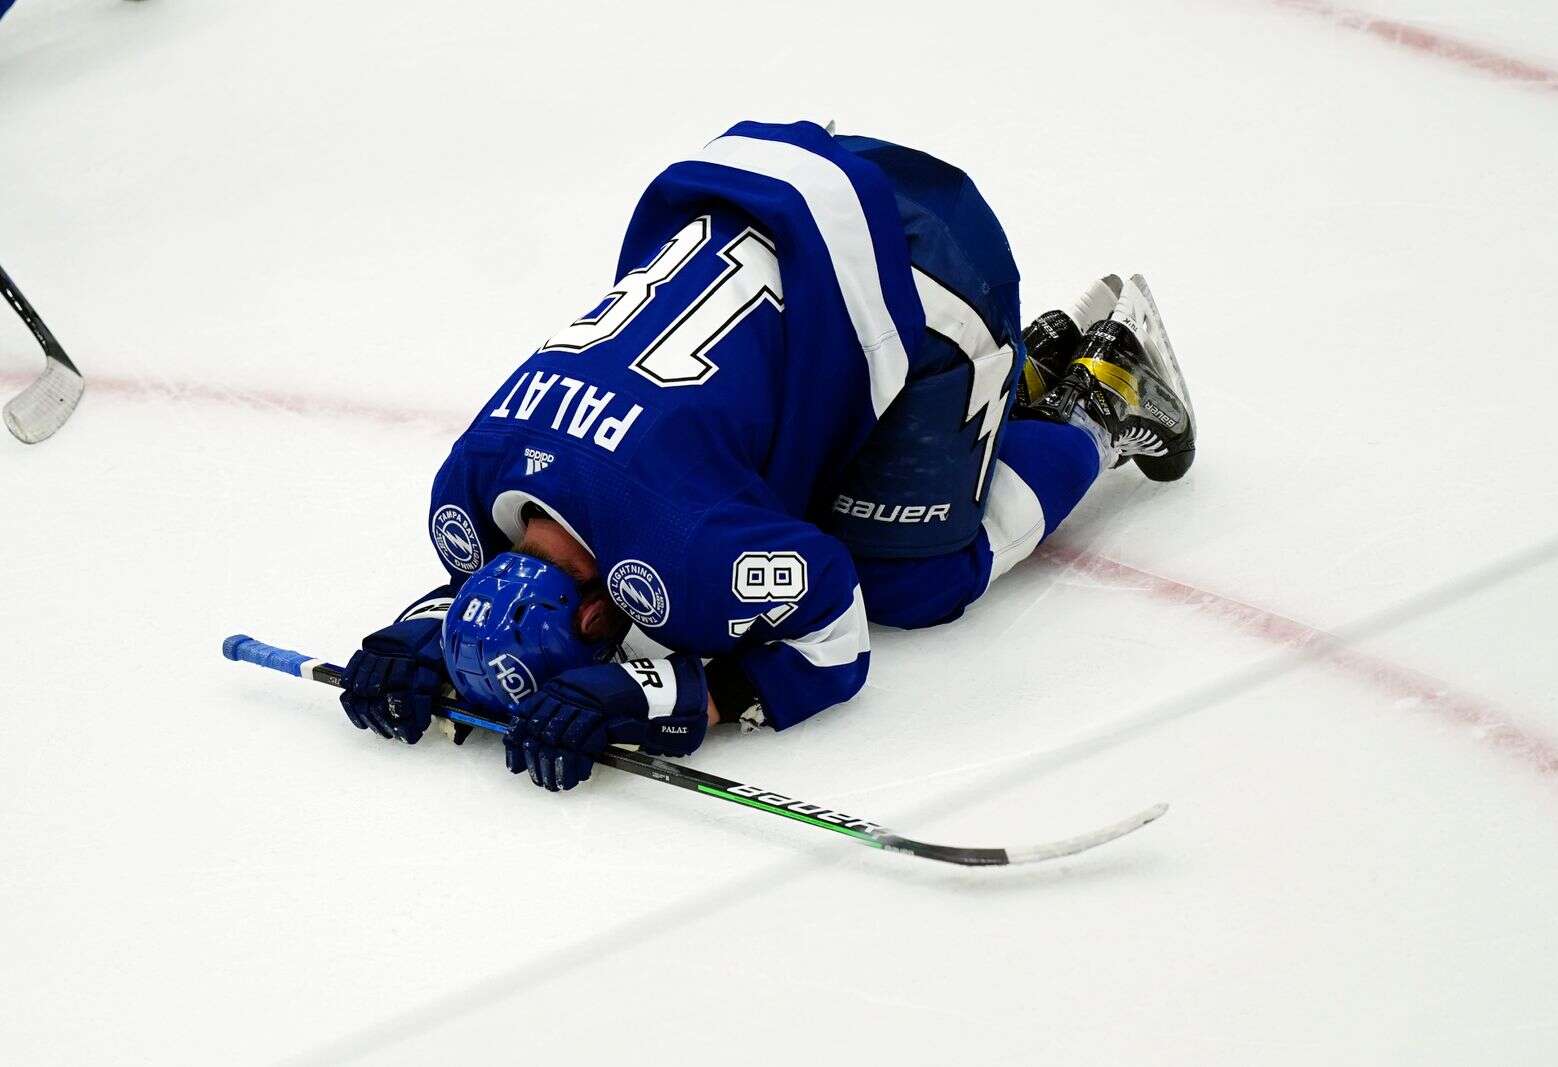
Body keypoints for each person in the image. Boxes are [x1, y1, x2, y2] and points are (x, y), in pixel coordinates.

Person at [338, 120, 1196, 791]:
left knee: (909, 580)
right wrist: (422, 637)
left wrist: (664, 698)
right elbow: (480, 580)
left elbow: (835, 630)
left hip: (918, 257)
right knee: (781, 498)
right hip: (756, 198)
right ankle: (1022, 377)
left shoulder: (681, 549)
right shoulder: (470, 483)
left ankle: (1100, 398)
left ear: (603, 619)